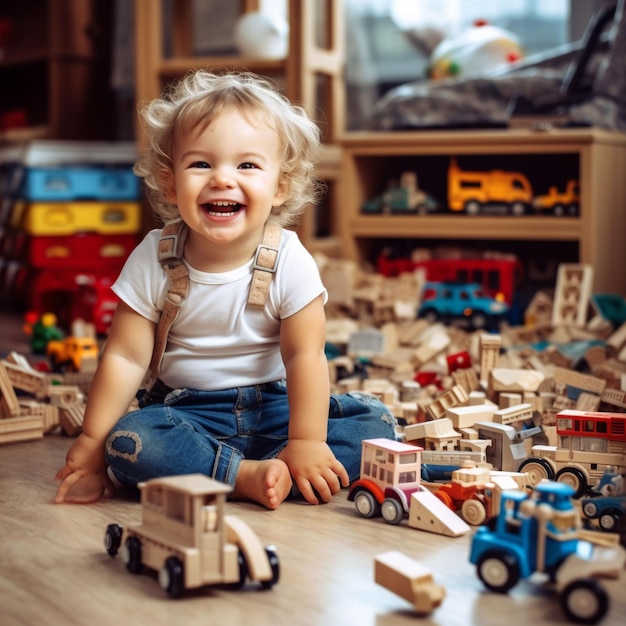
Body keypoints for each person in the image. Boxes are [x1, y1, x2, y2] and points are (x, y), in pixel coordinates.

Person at [54, 70, 396, 510]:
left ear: (281, 186)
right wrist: (91, 440)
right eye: (201, 163)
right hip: (188, 413)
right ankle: (246, 476)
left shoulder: (290, 259)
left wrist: (308, 440)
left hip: (278, 409)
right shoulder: (154, 257)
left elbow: (304, 356)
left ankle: (272, 464)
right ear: (170, 183)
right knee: (129, 441)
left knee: (375, 421)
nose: (222, 179)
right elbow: (125, 356)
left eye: (247, 165)